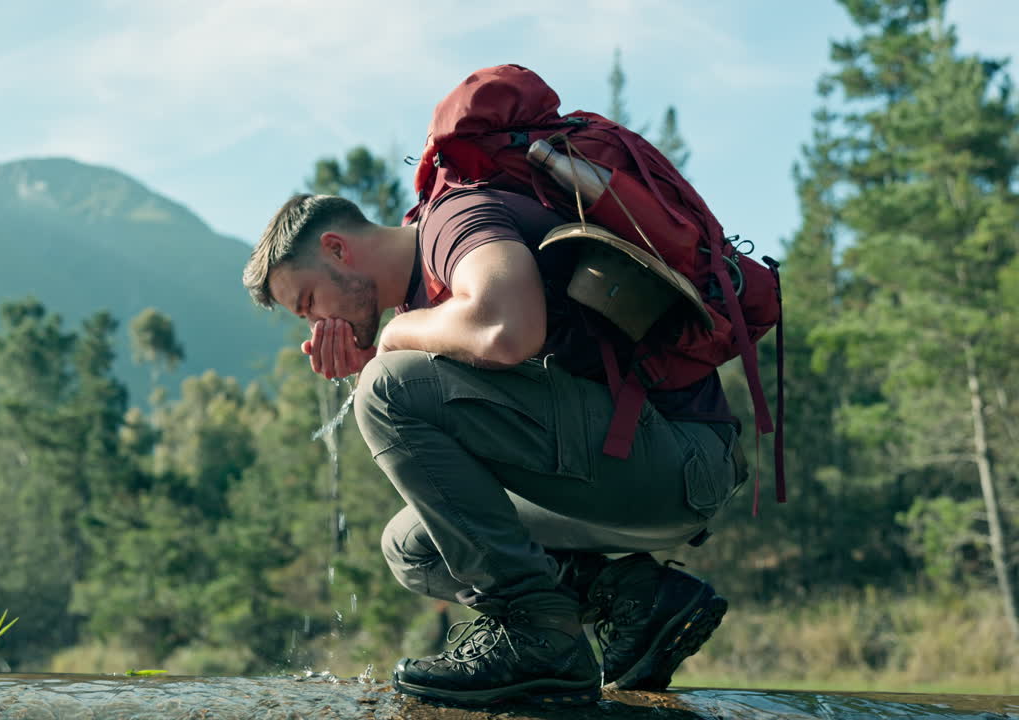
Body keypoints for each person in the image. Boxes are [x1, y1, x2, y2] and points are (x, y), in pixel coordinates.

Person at [242, 188, 747, 706]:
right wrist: (380, 350)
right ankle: (637, 595)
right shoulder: (420, 300)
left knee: (389, 386)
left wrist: (391, 343)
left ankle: (538, 633)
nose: (314, 325)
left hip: (679, 460)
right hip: (619, 474)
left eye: (307, 303)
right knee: (412, 547)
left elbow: (509, 329)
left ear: (337, 249)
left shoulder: (454, 222)